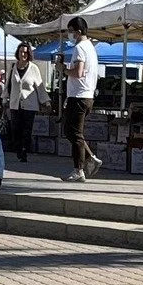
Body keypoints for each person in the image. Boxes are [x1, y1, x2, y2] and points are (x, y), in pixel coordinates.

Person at [62, 17, 101, 181]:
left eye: (71, 31)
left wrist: (63, 70)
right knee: (71, 131)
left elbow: (77, 72)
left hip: (79, 96)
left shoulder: (79, 48)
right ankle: (89, 157)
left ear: (78, 31)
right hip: (87, 95)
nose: (69, 34)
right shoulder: (90, 48)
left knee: (74, 133)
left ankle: (79, 169)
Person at [4, 42, 44, 163]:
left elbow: (40, 86)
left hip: (30, 104)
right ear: (18, 53)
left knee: (27, 129)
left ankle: (25, 151)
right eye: (21, 52)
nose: (23, 54)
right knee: (15, 129)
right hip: (15, 104)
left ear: (29, 54)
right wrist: (4, 98)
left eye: (26, 52)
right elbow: (8, 85)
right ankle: (18, 148)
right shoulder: (12, 67)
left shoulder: (33, 68)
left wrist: (45, 101)